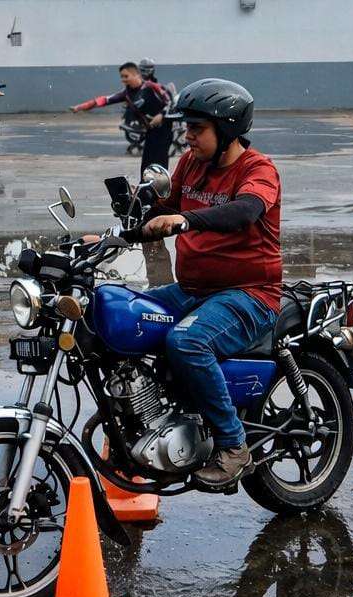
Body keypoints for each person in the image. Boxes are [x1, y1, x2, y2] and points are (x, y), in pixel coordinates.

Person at [123, 78, 282, 490]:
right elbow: (163, 213)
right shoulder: (191, 165)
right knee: (127, 315)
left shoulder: (258, 170)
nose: (187, 136)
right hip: (194, 288)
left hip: (250, 294)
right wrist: (113, 235)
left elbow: (245, 211)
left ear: (226, 130)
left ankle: (234, 445)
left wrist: (187, 220)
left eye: (197, 129)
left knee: (186, 342)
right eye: (187, 128)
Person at [69, 61, 172, 174]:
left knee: (160, 164)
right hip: (150, 131)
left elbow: (171, 102)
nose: (123, 79)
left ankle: (163, 188)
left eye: (126, 76)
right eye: (121, 77)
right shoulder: (126, 93)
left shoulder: (152, 87)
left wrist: (161, 115)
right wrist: (80, 107)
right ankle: (146, 189)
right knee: (146, 167)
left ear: (137, 74)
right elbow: (104, 100)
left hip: (164, 130)